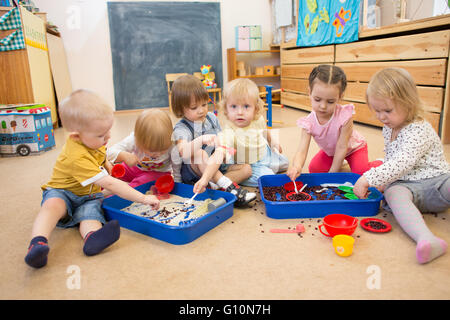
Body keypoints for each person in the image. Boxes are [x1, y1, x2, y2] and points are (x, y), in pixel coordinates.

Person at [24, 90, 160, 269]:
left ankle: (92, 238)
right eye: (101, 135)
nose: (108, 137)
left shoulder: (95, 143)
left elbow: (101, 157)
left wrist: (109, 167)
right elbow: (109, 183)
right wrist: (142, 198)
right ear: (75, 136)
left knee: (90, 215)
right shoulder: (76, 156)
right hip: (63, 192)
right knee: (53, 206)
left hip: (89, 196)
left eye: (108, 131)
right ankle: (38, 243)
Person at [353, 68, 449, 264]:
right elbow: (392, 159)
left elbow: (402, 161)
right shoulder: (389, 128)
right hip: (409, 187)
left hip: (438, 183)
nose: (381, 116)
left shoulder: (418, 128)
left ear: (409, 104)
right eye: (377, 110)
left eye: (387, 110)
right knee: (393, 193)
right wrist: (383, 181)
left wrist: (370, 178)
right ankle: (426, 239)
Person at [171, 74, 256, 207]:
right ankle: (228, 187)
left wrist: (224, 149)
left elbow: (221, 138)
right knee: (200, 154)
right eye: (194, 108)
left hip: (216, 167)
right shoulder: (181, 128)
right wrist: (201, 140)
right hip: (196, 171)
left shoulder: (211, 117)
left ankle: (214, 187)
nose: (201, 111)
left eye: (204, 104)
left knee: (246, 169)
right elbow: (184, 152)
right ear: (180, 109)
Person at [286, 64, 381, 182]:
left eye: (330, 101)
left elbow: (342, 146)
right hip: (331, 152)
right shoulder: (308, 123)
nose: (323, 106)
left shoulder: (345, 116)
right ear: (309, 92)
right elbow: (301, 150)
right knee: (315, 169)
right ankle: (342, 164)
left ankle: (380, 164)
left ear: (340, 96)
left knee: (360, 175)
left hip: (353, 148)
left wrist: (333, 173)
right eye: (317, 99)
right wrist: (296, 166)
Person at [193, 78, 289, 194]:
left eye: (246, 106)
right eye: (234, 106)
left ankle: (268, 163)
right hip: (248, 163)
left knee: (285, 163)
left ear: (256, 108)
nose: (240, 112)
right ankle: (224, 180)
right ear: (226, 109)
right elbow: (218, 155)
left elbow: (264, 131)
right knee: (269, 178)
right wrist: (205, 179)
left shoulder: (258, 119)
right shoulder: (229, 132)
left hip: (264, 153)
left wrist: (273, 143)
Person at [106, 108, 181, 187]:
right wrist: (123, 155)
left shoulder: (172, 142)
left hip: (158, 173)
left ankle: (126, 192)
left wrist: (178, 183)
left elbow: (177, 167)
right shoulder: (134, 139)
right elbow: (107, 153)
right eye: (152, 150)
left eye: (163, 150)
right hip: (133, 168)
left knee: (143, 182)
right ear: (139, 140)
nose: (158, 154)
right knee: (109, 173)